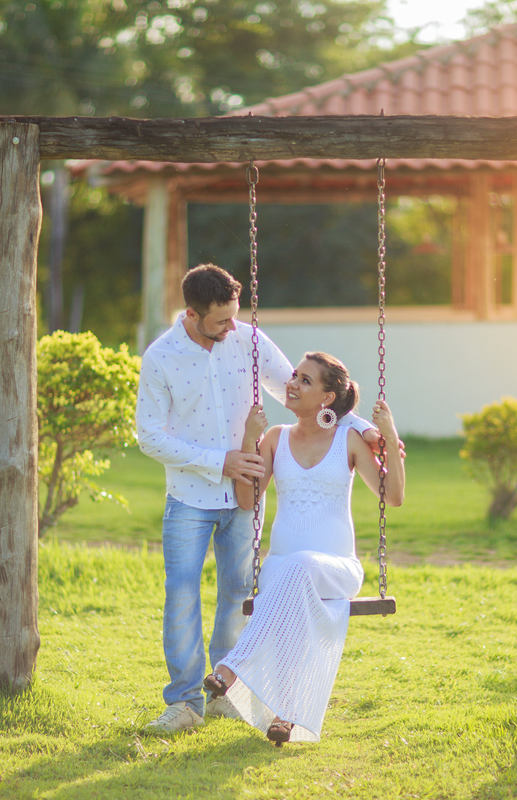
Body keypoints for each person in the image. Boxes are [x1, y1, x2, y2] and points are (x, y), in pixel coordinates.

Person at [136, 264, 381, 734]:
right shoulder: (161, 358)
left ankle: (228, 692)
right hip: (190, 496)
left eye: (234, 315)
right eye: (221, 320)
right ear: (191, 313)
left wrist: (360, 426)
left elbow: (307, 389)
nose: (233, 327)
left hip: (246, 496)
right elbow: (149, 436)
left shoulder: (247, 339)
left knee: (237, 595)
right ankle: (186, 703)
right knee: (182, 597)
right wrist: (221, 460)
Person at [202, 351, 405, 746]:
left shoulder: (346, 440)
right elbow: (248, 500)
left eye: (306, 380)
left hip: (337, 570)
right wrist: (249, 436)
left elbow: (392, 496)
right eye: (295, 375)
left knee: (301, 567)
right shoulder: (275, 437)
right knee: (292, 579)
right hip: (281, 570)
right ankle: (286, 716)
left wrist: (390, 433)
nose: (292, 384)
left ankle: (232, 668)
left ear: (327, 398)